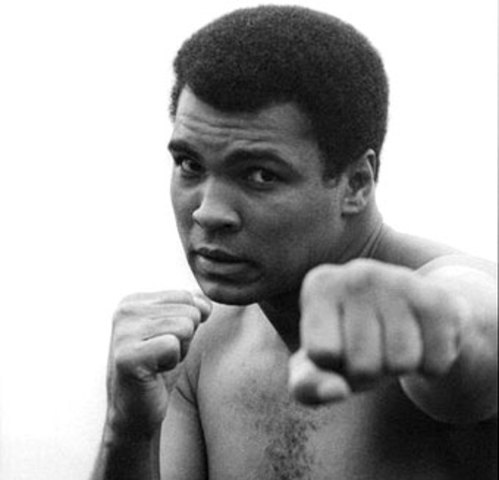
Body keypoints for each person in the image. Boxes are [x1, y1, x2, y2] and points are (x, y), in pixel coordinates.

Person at [91, 5, 497, 479]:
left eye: (260, 174)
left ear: (357, 183)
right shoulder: (201, 349)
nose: (207, 212)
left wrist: (427, 320)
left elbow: (474, 325)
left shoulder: (447, 293)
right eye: (190, 165)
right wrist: (127, 431)